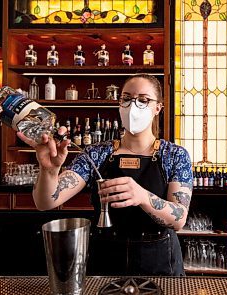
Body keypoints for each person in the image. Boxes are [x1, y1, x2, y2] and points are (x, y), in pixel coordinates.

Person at [17, 74, 193, 276]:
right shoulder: (97, 153)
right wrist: (49, 169)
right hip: (106, 259)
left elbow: (179, 219)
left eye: (143, 100)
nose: (132, 106)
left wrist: (142, 196)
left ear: (157, 108)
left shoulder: (174, 155)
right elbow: (45, 202)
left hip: (160, 262)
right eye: (126, 98)